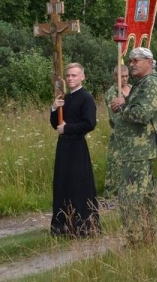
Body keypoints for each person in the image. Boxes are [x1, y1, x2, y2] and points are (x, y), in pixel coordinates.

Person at [110, 47, 157, 246]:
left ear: (149, 62)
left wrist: (122, 106)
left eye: (136, 61)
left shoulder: (151, 83)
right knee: (144, 196)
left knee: (130, 197)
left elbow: (143, 114)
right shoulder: (141, 83)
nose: (132, 64)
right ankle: (147, 237)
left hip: (138, 151)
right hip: (135, 150)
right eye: (131, 60)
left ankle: (133, 240)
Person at [50, 62, 99, 237]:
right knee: (63, 183)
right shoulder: (65, 98)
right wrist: (55, 108)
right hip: (63, 146)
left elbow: (89, 123)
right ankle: (62, 226)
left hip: (77, 147)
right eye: (68, 75)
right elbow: (56, 124)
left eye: (74, 75)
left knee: (79, 185)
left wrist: (68, 128)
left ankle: (84, 226)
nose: (70, 78)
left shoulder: (86, 98)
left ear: (82, 77)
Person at [103, 65, 131, 200]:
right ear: (115, 77)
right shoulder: (112, 93)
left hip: (133, 134)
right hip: (119, 133)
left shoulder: (132, 89)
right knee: (115, 162)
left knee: (130, 163)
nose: (124, 79)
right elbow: (116, 116)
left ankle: (127, 189)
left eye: (126, 76)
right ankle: (111, 193)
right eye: (122, 77)